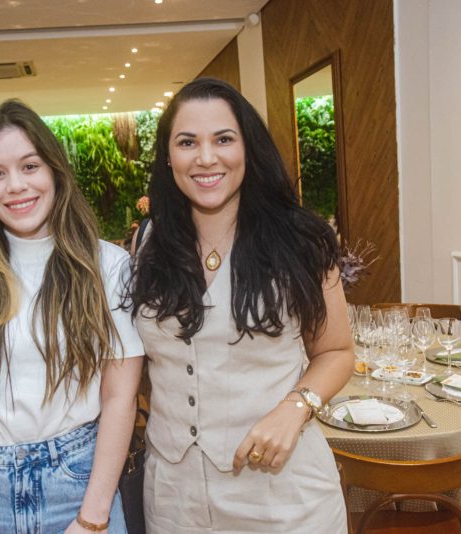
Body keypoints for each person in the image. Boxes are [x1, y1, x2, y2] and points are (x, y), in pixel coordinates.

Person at [125, 77, 354, 533]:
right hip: (175, 498)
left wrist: (295, 407)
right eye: (188, 142)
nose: (206, 158)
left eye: (223, 139)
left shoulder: (302, 241)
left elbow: (337, 352)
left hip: (280, 494)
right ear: (169, 156)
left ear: (248, 148)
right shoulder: (148, 241)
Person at [0, 99, 144, 533]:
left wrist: (93, 517)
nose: (15, 186)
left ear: (55, 171)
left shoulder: (107, 264)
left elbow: (120, 396)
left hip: (80, 480)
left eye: (30, 166)